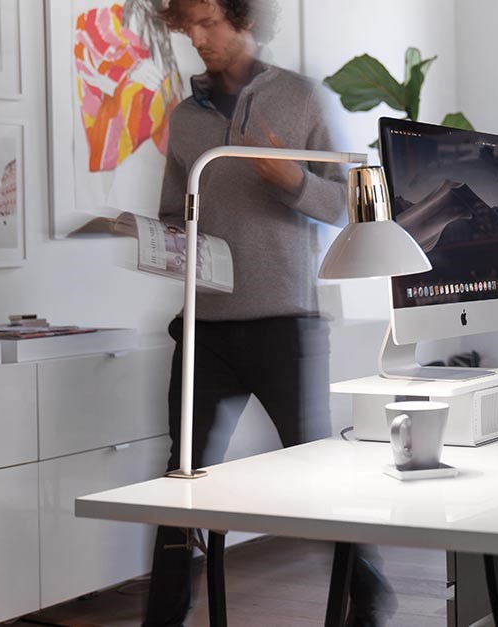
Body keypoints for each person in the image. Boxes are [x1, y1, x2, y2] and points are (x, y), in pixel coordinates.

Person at [145, 1, 394, 625]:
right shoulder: (184, 116)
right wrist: (159, 239)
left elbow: (348, 203)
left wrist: (290, 179)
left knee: (314, 472)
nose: (197, 38)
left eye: (210, 23)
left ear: (244, 18)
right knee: (180, 477)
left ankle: (366, 594)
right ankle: (163, 617)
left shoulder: (302, 98)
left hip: (286, 324)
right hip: (204, 330)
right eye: (188, 26)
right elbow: (177, 211)